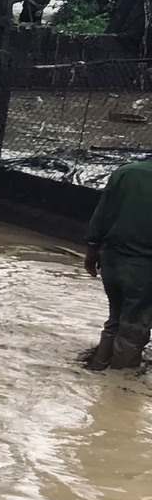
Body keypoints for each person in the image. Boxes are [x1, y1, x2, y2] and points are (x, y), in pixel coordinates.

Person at [82, 154, 152, 371]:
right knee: (134, 327)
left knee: (115, 319)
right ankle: (119, 386)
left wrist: (92, 250)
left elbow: (101, 213)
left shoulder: (125, 172)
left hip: (111, 261)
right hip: (143, 267)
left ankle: (98, 368)